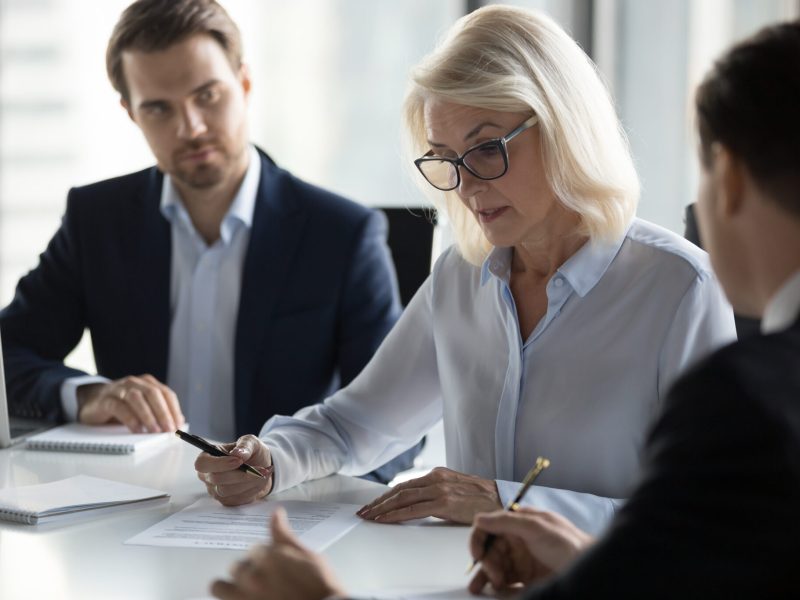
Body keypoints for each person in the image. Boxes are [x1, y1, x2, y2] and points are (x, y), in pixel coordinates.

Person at [208, 17, 800, 600]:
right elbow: (355, 423)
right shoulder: (461, 277)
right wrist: (270, 459)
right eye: (446, 157)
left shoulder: (678, 287)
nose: (467, 186)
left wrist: (510, 500)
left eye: (487, 149)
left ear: (563, 129)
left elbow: (701, 529)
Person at [0, 0, 421, 483]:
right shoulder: (97, 220)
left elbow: (394, 432)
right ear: (131, 113)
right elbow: (8, 356)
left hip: (284, 514)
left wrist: (303, 486)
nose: (191, 127)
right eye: (159, 108)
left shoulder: (343, 234)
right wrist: (88, 396)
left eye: (208, 95)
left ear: (244, 83)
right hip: (132, 510)